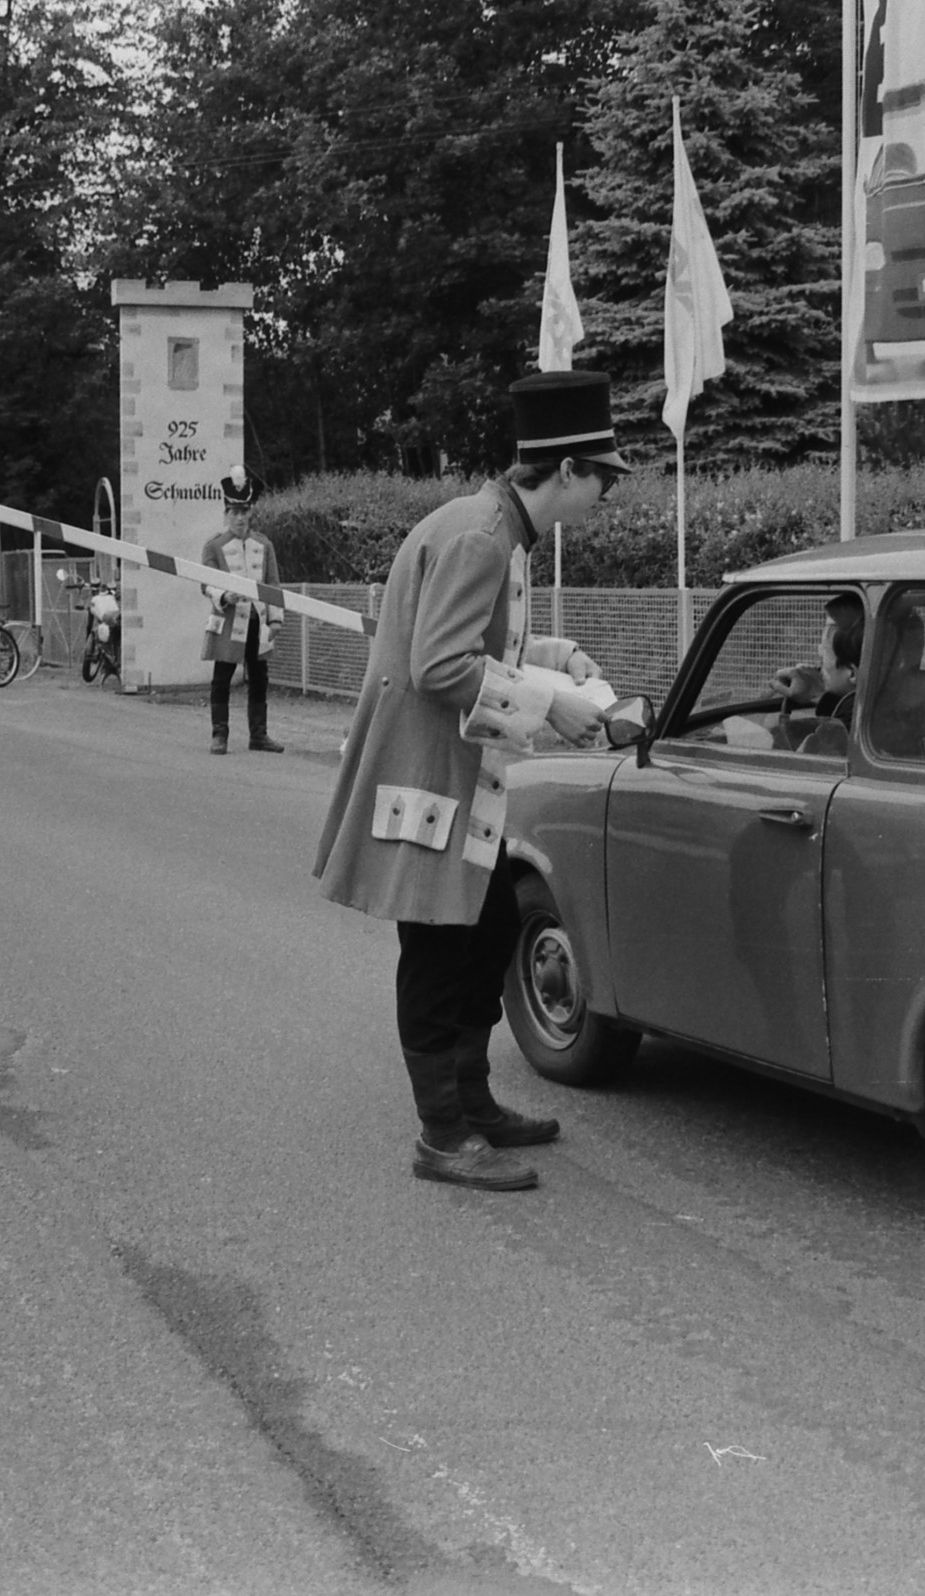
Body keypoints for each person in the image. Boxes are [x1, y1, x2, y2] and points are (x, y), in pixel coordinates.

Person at [314, 370, 624, 1192]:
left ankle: (472, 1102)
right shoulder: (486, 537)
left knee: (486, 932)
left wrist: (555, 657)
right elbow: (441, 664)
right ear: (567, 470)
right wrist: (552, 706)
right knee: (438, 948)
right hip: (427, 780)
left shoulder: (491, 526)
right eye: (603, 477)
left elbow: (481, 642)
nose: (606, 494)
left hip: (449, 782)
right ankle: (442, 1134)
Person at [200, 473, 285, 755]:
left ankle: (259, 734)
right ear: (226, 514)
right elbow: (206, 583)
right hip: (228, 621)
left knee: (260, 677)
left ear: (250, 513)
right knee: (222, 678)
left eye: (244, 512)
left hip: (256, 620)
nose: (239, 518)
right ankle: (219, 734)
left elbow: (273, 584)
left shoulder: (264, 544)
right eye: (234, 512)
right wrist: (224, 595)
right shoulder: (214, 546)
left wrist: (275, 618)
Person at [768, 592, 867, 753]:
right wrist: (820, 696)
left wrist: (781, 733)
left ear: (853, 674)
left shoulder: (832, 739)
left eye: (825, 649)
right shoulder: (894, 712)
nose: (819, 651)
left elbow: (783, 764)